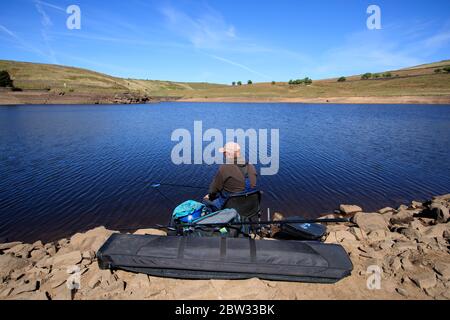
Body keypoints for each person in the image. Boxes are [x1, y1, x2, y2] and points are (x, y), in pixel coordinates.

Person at [203, 142, 257, 211]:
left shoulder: (224, 168)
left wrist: (209, 196)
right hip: (249, 204)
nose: (223, 154)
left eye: (224, 152)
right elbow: (252, 185)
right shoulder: (251, 166)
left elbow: (213, 191)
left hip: (231, 206)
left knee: (205, 201)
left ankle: (211, 218)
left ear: (228, 154)